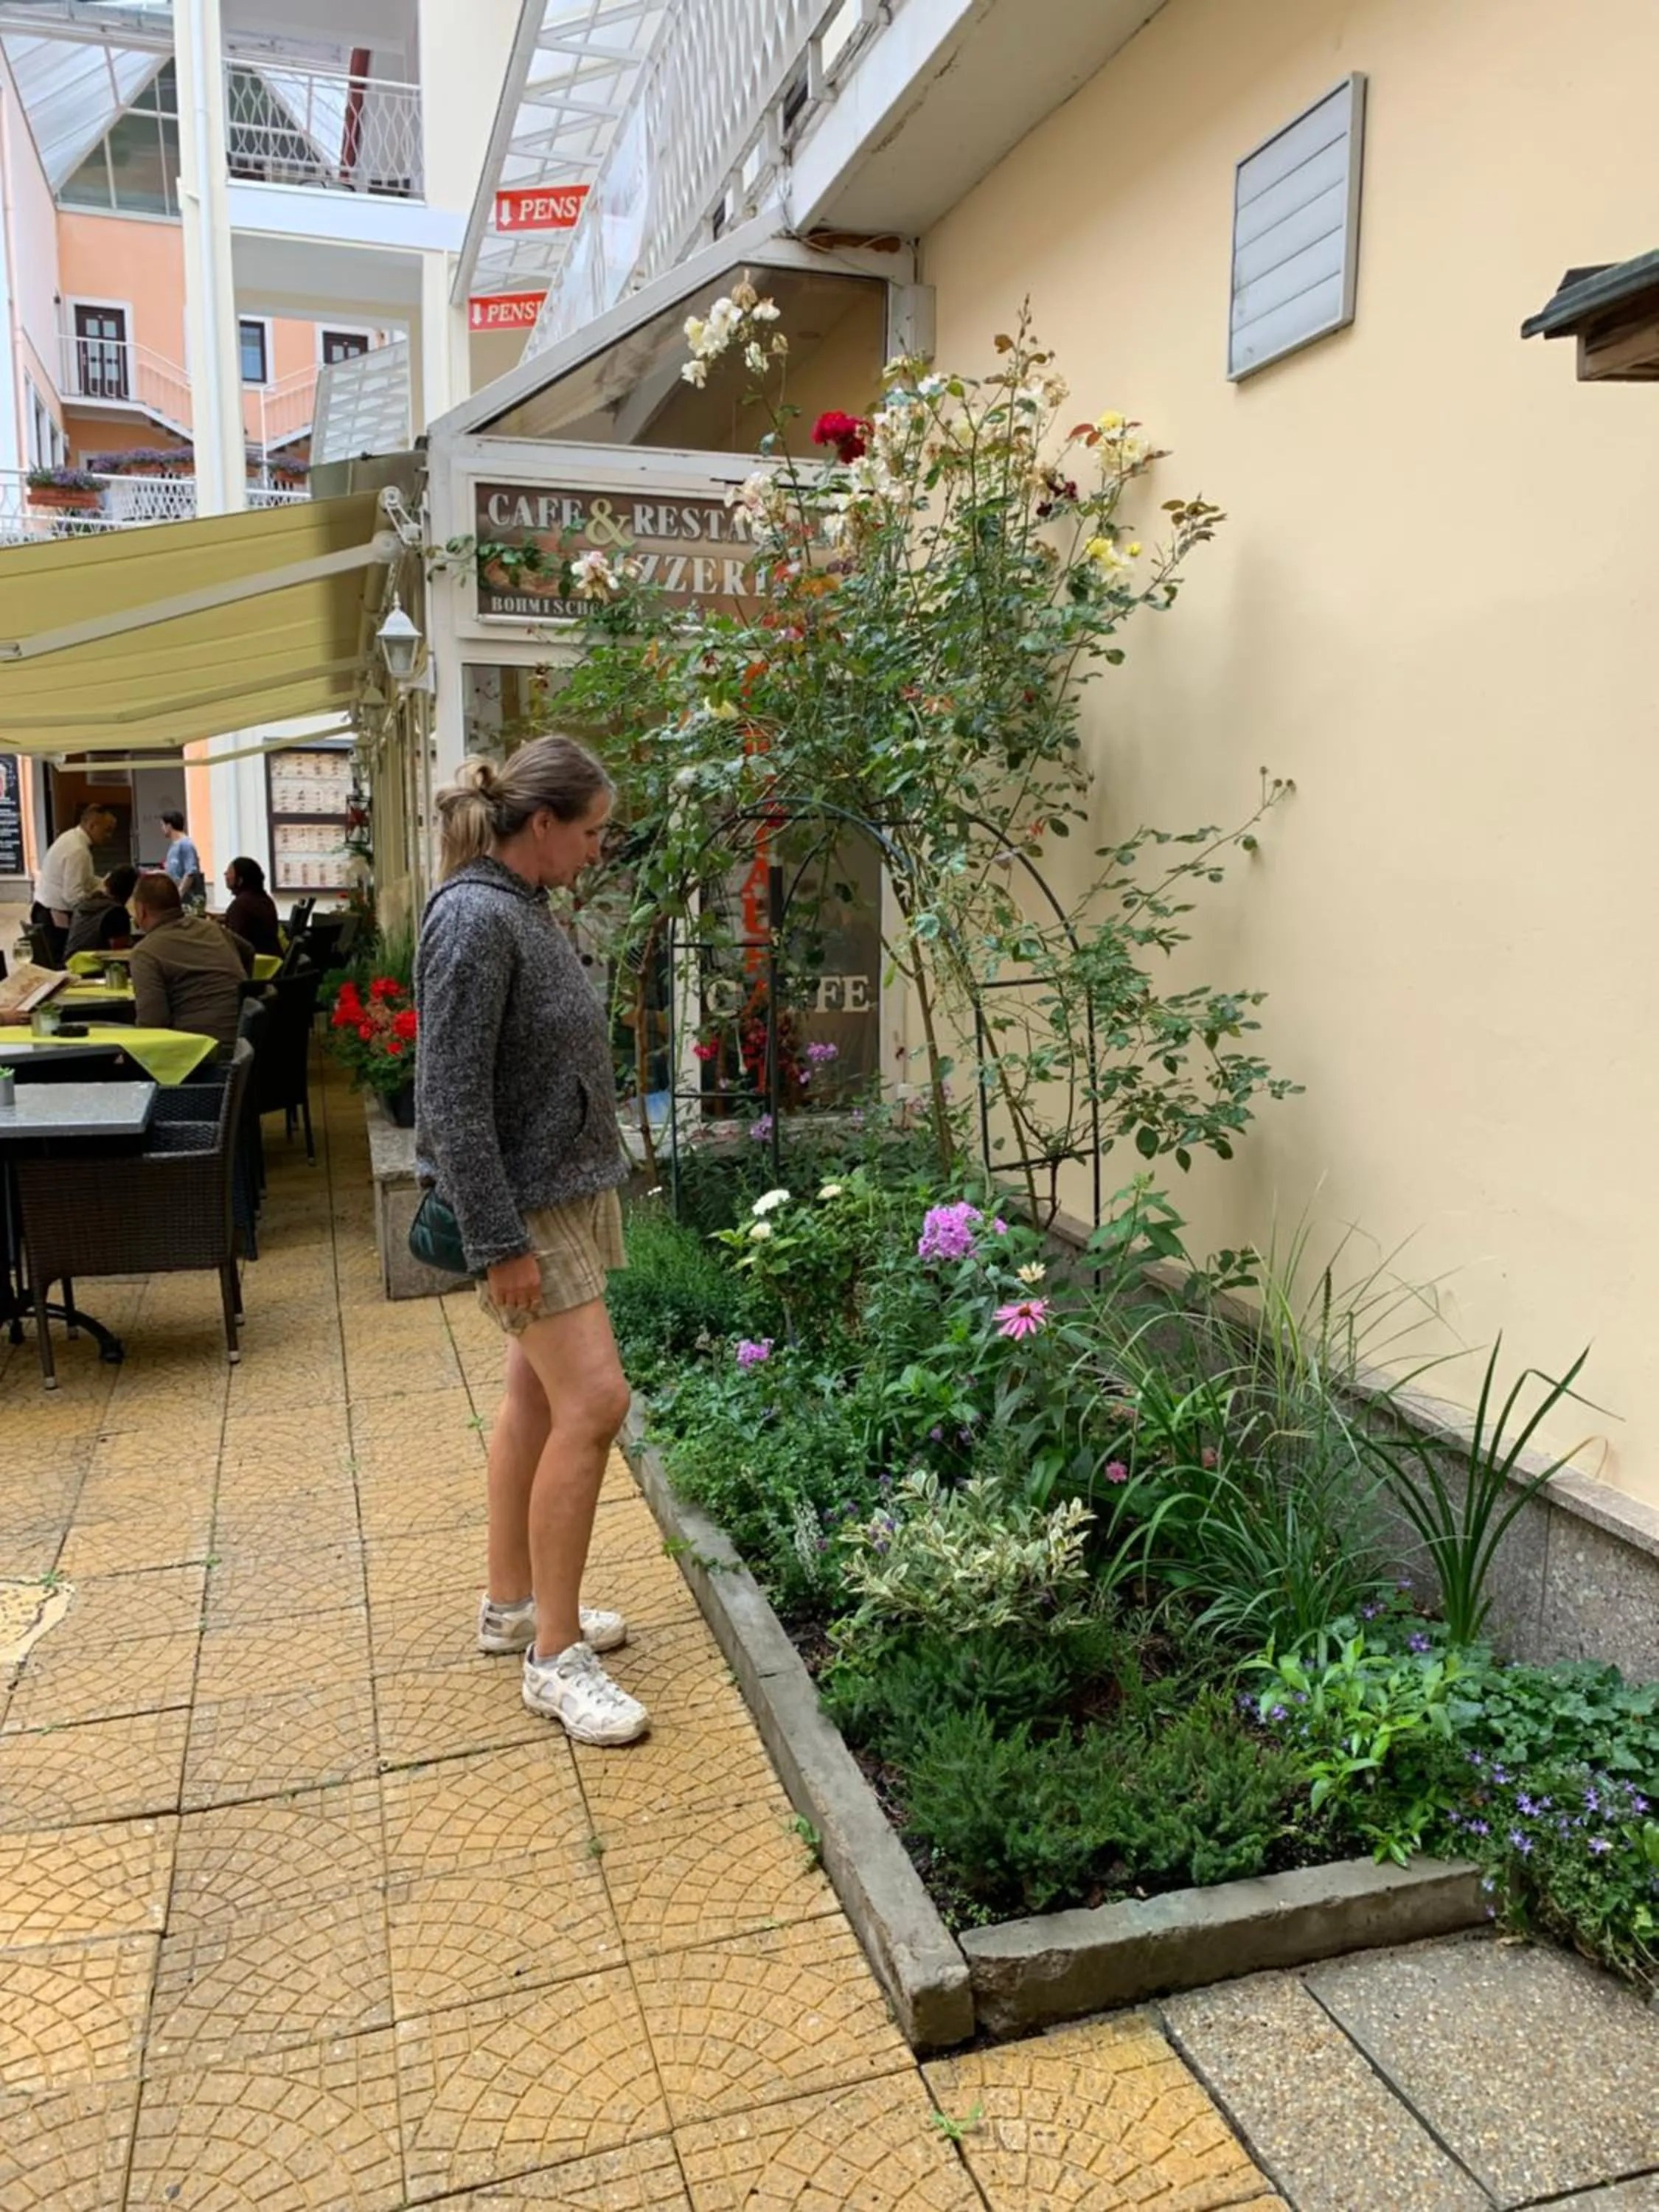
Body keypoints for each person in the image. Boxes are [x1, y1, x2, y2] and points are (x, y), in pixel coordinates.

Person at [414, 735, 644, 1747]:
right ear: (541, 823)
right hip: (527, 1209)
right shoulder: (474, 916)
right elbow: (450, 1097)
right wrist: (496, 1239)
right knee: (595, 1403)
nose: (598, 850)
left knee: (537, 1399)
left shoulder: (520, 905)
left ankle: (513, 1607)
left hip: (564, 1189)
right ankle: (555, 1657)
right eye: (590, 832)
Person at [129, 872, 253, 1054]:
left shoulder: (146, 952)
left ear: (141, 911)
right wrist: (244, 988)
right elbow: (248, 951)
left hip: (198, 1053)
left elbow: (152, 1024)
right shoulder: (213, 929)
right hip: (246, 1044)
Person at [32, 802, 116, 964]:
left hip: (43, 911)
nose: (110, 836)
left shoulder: (70, 837)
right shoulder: (78, 850)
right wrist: (100, 904)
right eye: (107, 830)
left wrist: (104, 884)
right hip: (54, 919)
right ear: (92, 826)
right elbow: (73, 897)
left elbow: (85, 879)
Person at [65, 863, 139, 958]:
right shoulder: (116, 912)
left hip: (71, 962)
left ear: (107, 883)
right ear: (132, 891)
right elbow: (119, 951)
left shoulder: (85, 904)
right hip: (93, 964)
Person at [219, 856, 281, 958]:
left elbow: (233, 943)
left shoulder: (240, 905)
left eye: (229, 872)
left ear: (240, 880)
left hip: (254, 962)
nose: (226, 876)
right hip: (270, 960)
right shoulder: (265, 900)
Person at [160, 810, 203, 902]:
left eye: (163, 825)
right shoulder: (174, 846)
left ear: (169, 826)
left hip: (187, 899)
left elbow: (190, 872)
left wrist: (180, 894)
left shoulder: (186, 844)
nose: (162, 829)